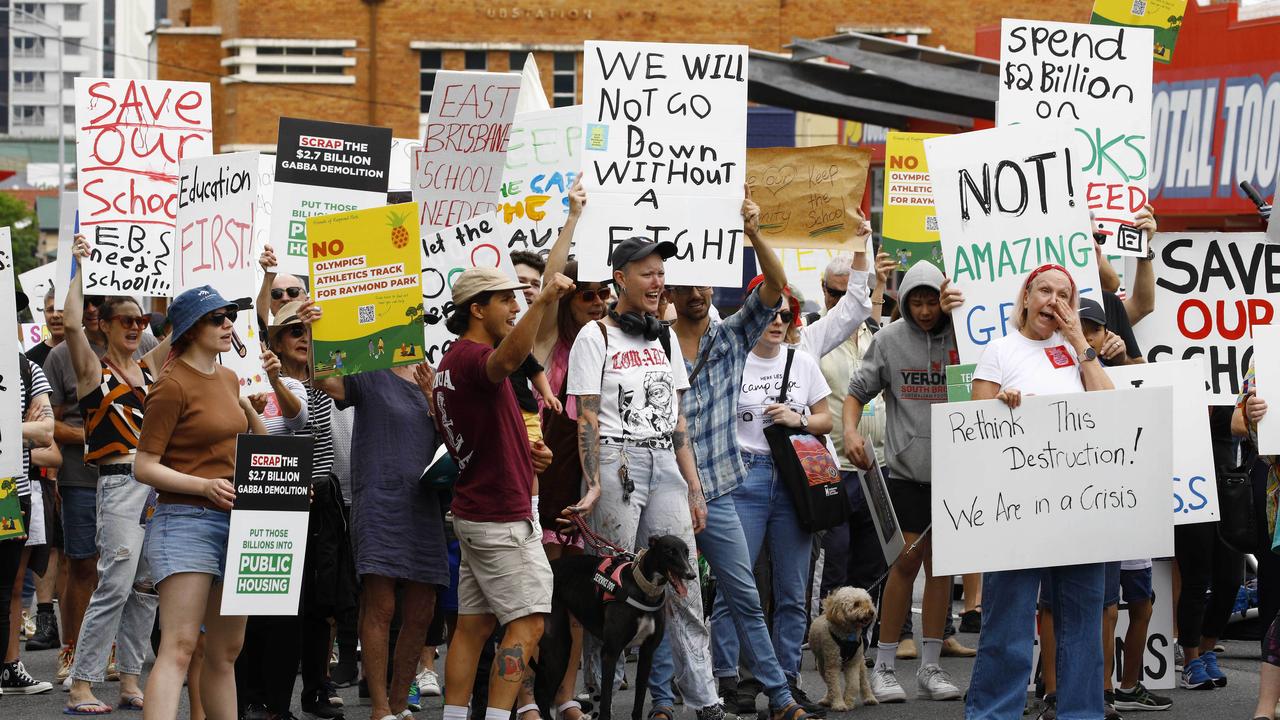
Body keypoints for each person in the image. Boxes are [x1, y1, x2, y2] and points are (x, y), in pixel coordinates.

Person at [566, 235, 735, 720]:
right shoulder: (594, 337)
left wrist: (695, 488)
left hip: (665, 463)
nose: (659, 281)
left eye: (662, 273)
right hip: (617, 463)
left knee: (685, 587)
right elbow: (588, 417)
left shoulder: (663, 335)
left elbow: (679, 421)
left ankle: (705, 700)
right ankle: (604, 699)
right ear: (621, 278)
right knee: (612, 584)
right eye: (648, 273)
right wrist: (594, 481)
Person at [665, 193, 819, 720]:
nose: (698, 291)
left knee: (745, 594)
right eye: (686, 283)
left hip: (722, 488)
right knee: (670, 597)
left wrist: (754, 233)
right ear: (670, 287)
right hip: (663, 486)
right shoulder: (651, 343)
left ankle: (778, 697)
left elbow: (776, 288)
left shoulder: (731, 338)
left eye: (705, 282)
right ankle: (663, 700)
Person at [962, 264, 1115, 720]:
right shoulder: (1000, 351)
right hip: (1016, 510)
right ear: (1026, 297)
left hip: (1077, 507)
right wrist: (1000, 403)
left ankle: (1080, 712)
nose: (1052, 300)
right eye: (1044, 291)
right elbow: (975, 427)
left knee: (1082, 624)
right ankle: (994, 712)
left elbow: (1112, 408)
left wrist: (1082, 345)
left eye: (1063, 295)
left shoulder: (1079, 353)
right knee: (1007, 624)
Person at [431, 265, 573, 720]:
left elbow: (479, 437)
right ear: (477, 309)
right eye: (506, 300)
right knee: (529, 624)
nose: (515, 307)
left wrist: (528, 457)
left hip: (481, 511)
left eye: (519, 299)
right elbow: (509, 360)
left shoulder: (450, 365)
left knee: (473, 627)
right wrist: (544, 300)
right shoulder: (474, 358)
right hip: (498, 518)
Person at [135, 285, 268, 720]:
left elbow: (256, 449)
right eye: (218, 318)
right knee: (179, 646)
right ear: (191, 330)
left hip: (238, 520)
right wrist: (202, 486)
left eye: (230, 315)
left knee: (226, 651)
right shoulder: (170, 386)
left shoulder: (230, 379)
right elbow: (144, 466)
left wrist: (251, 413)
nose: (229, 323)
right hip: (184, 520)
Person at [844, 260, 963, 704]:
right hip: (907, 474)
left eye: (933, 300)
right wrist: (851, 432)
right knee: (905, 564)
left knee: (943, 570)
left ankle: (931, 668)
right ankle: (885, 666)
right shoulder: (890, 340)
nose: (927, 310)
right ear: (905, 300)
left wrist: (964, 314)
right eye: (918, 300)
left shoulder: (964, 336)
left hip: (958, 474)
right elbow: (856, 393)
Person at [62, 234, 170, 713]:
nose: (135, 327)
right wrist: (77, 262)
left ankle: (130, 680)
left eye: (141, 320)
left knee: (146, 589)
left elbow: (184, 332)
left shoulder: (148, 370)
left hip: (155, 486)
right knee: (116, 584)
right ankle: (82, 682)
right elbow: (68, 324)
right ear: (102, 325)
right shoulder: (93, 370)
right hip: (119, 483)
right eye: (126, 320)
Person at [314, 350, 449, 720]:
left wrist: (429, 395)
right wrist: (318, 332)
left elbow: (453, 434)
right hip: (379, 499)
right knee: (382, 603)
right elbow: (322, 378)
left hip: (424, 503)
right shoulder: (368, 369)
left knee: (423, 609)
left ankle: (399, 703)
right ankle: (379, 707)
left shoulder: (431, 375)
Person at [528, 179, 610, 718]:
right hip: (541, 481)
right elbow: (544, 292)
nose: (600, 302)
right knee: (537, 600)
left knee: (577, 601)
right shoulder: (543, 343)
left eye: (606, 293)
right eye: (589, 294)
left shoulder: (608, 340)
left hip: (588, 482)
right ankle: (525, 699)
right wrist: (574, 218)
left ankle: (565, 697)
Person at [0, 291, 56, 695]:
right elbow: (31, 430)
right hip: (12, 487)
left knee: (8, 587)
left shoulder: (28, 369)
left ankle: (7, 667)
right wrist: (21, 426)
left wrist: (13, 429)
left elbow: (46, 433)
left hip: (8, 492)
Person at [1239, 368, 1280, 720]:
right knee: (1276, 593)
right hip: (1276, 494)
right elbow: (1244, 421)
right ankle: (1269, 703)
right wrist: (1251, 415)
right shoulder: (1267, 355)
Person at [25, 285, 64, 652]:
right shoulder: (30, 358)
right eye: (49, 308)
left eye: (61, 308)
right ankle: (45, 617)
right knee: (48, 549)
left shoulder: (31, 370)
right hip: (36, 477)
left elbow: (45, 434)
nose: (55, 315)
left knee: (72, 556)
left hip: (59, 469)